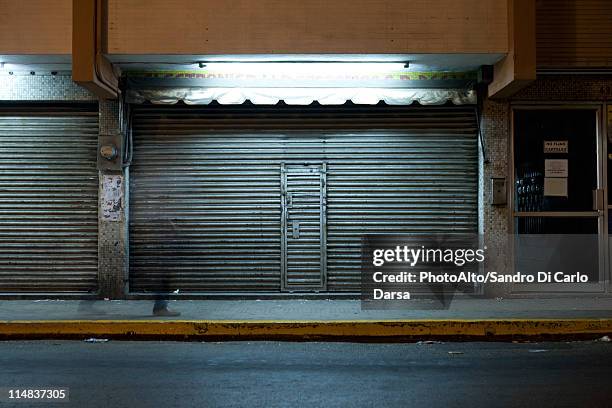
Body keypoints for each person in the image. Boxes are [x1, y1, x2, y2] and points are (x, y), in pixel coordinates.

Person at [152, 218, 181, 316]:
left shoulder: (164, 237)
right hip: (161, 265)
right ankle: (160, 308)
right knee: (162, 285)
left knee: (165, 285)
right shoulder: (161, 237)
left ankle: (162, 307)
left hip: (164, 264)